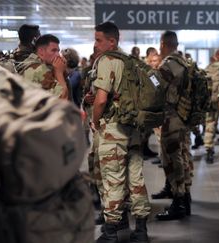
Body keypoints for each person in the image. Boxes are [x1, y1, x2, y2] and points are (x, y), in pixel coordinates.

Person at [91, 21, 151, 243]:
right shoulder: (132, 62)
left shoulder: (108, 61)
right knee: (136, 178)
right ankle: (142, 229)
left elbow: (101, 99)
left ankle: (111, 232)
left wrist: (94, 121)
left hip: (113, 129)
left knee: (113, 179)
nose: (95, 44)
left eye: (98, 40)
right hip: (133, 129)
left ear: (112, 41)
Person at [155, 30, 191, 221]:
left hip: (171, 117)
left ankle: (179, 202)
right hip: (180, 115)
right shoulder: (182, 61)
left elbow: (153, 86)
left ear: (163, 44)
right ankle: (184, 198)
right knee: (179, 156)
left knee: (172, 159)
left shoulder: (170, 64)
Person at [17, 34, 69, 100]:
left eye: (58, 51)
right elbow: (62, 99)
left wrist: (63, 71)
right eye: (53, 50)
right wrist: (59, 73)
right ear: (41, 52)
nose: (58, 55)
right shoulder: (39, 69)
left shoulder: (30, 62)